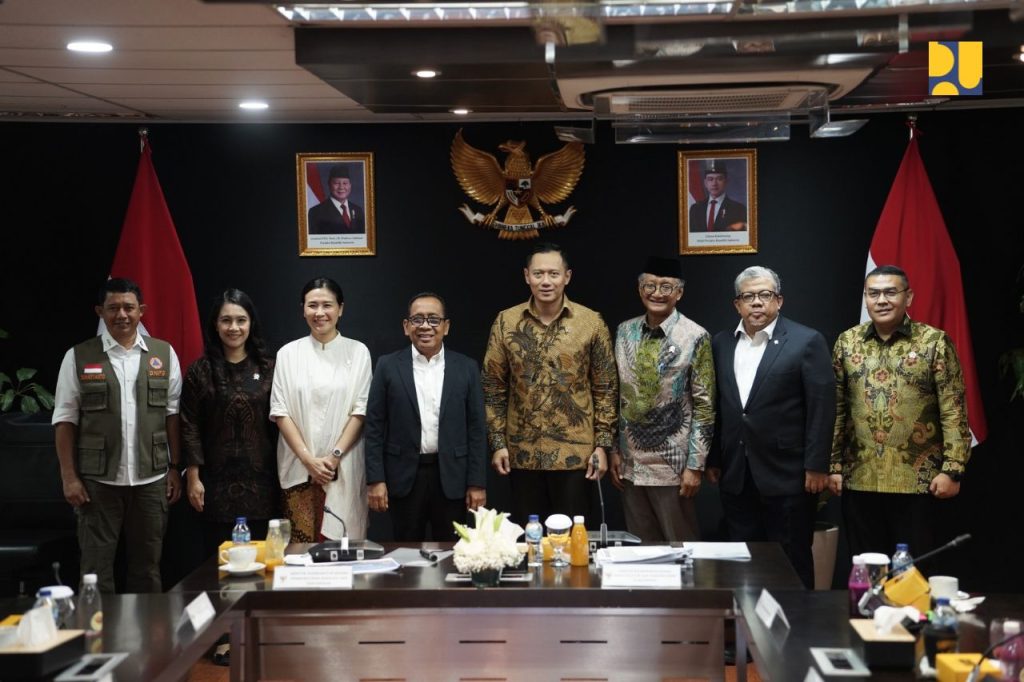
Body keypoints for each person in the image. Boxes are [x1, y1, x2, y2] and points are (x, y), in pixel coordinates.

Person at [706, 266, 834, 589]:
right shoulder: (721, 343)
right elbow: (720, 406)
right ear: (737, 304)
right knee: (744, 563)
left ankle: (798, 621)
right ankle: (748, 621)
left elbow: (822, 408)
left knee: (791, 561)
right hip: (737, 475)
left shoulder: (806, 341)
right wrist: (714, 458)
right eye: (748, 296)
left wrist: (817, 465)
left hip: (788, 475)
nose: (757, 302)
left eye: (764, 295)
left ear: (779, 300)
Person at [829, 265, 970, 557]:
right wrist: (833, 466)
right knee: (868, 569)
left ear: (909, 297)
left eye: (890, 292)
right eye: (874, 294)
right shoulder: (847, 342)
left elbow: (953, 409)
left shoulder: (934, 342)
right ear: (865, 299)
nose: (881, 300)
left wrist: (953, 470)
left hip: (919, 483)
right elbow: (836, 408)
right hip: (859, 480)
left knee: (913, 572)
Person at [52, 278, 183, 593]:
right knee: (95, 571)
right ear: (100, 311)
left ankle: (148, 627)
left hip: (151, 480)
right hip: (97, 483)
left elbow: (172, 415)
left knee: (147, 569)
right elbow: (65, 420)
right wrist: (69, 477)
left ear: (142, 311)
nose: (121, 315)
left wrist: (175, 467)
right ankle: (99, 627)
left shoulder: (163, 354)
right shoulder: (78, 356)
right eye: (113, 308)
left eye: (129, 307)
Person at [482, 242, 617, 524]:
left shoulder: (591, 322)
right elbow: (493, 386)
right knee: (527, 538)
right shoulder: (506, 321)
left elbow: (605, 388)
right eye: (538, 273)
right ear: (526, 276)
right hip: (521, 454)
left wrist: (603, 446)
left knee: (574, 538)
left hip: (577, 454)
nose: (546, 281)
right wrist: (497, 443)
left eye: (553, 274)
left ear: (567, 276)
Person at [364, 292, 488, 540]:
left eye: (433, 319)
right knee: (406, 552)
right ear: (406, 326)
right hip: (404, 477)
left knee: (452, 552)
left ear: (446, 326)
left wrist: (477, 483)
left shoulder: (466, 367)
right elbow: (374, 427)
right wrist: (375, 480)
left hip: (452, 477)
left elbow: (476, 429)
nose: (425, 326)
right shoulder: (388, 366)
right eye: (417, 319)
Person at [610, 257, 715, 542]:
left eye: (666, 287)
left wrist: (695, 466)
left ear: (679, 293)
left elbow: (705, 406)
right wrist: (613, 450)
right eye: (650, 285)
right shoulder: (624, 331)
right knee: (640, 549)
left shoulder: (695, 336)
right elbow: (616, 395)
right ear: (640, 289)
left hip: (673, 468)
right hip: (630, 465)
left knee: (681, 547)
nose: (657, 293)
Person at [270, 277, 372, 542]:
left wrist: (333, 457)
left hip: (343, 466)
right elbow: (280, 411)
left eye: (327, 305)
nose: (319, 313)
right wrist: (308, 460)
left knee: (343, 550)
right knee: (300, 551)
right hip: (297, 466)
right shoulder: (287, 354)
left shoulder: (358, 352)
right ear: (302, 309)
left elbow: (360, 411)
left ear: (341, 309)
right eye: (312, 305)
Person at [181, 289, 278, 557]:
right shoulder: (200, 371)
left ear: (251, 323)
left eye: (241, 320)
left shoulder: (270, 368)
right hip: (214, 486)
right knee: (219, 565)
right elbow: (189, 426)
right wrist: (193, 477)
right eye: (226, 320)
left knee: (262, 563)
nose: (233, 327)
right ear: (216, 324)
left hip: (263, 484)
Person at [688, 161, 748, 232]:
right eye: (710, 179)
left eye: (719, 179)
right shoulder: (695, 209)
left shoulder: (739, 209)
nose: (714, 183)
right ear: (705, 183)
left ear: (726, 182)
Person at [307, 164, 365, 235]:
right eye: (336, 183)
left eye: (345, 183)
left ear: (350, 185)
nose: (341, 187)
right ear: (329, 185)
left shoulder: (358, 210)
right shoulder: (316, 212)